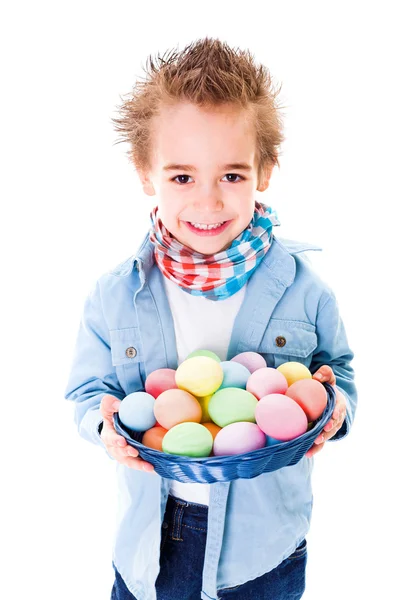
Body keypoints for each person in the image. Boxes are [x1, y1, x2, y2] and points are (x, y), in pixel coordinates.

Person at [64, 37, 357, 600]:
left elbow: (336, 370)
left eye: (231, 176)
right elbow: (87, 388)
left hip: (263, 545)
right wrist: (103, 423)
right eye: (182, 177)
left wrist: (335, 404)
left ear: (265, 170)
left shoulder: (303, 288)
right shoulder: (116, 294)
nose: (208, 202)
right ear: (144, 172)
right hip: (151, 539)